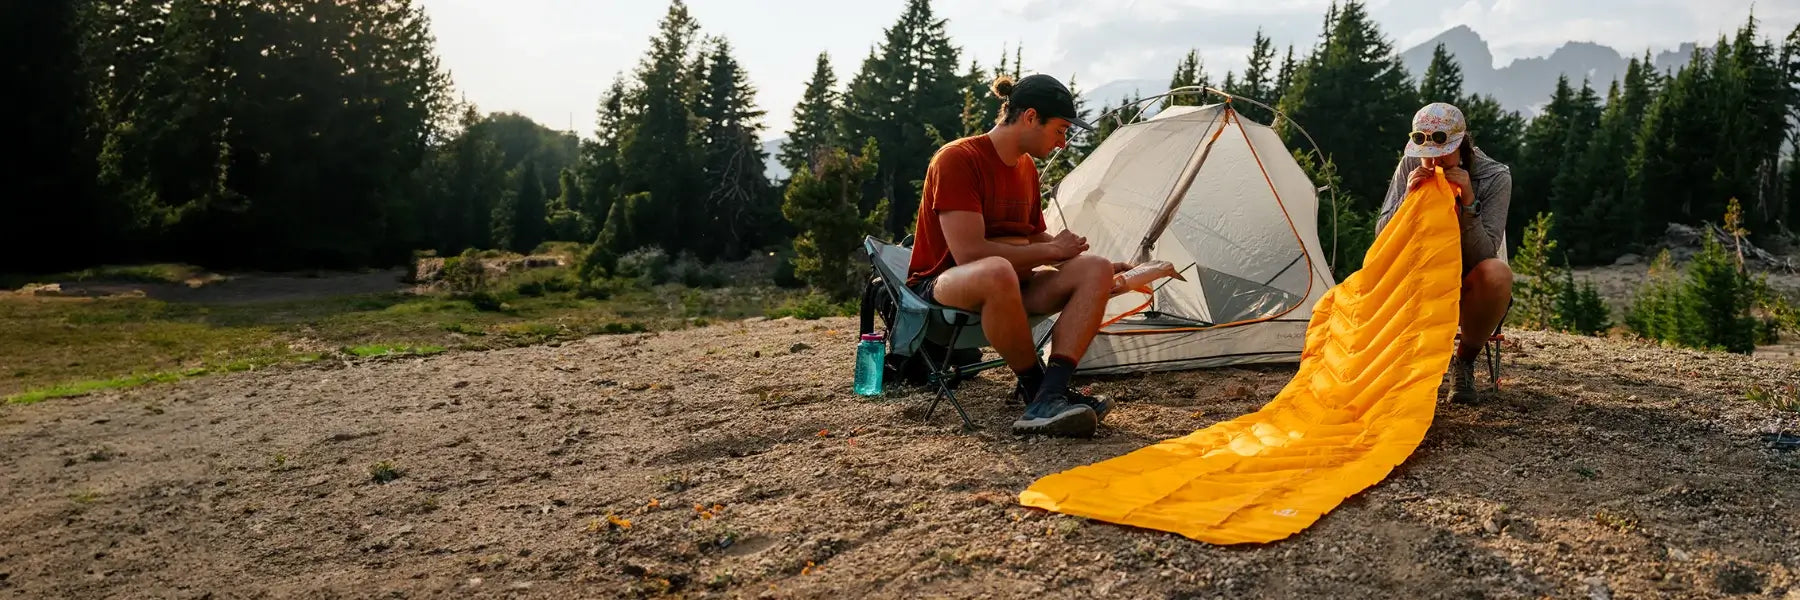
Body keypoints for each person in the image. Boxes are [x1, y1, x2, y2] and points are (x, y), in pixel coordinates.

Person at [905, 73, 1124, 437]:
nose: (1063, 142)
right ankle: (1036, 388)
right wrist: (1051, 250)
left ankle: (1050, 395)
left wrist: (1085, 268)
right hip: (942, 286)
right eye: (1060, 130)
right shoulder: (958, 159)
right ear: (1030, 117)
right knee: (996, 270)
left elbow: (1032, 235)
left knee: (1096, 268)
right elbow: (969, 253)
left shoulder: (1025, 168)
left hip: (1012, 284)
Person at [1375, 102, 1514, 404]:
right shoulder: (1411, 164)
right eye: (1426, 153)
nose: (1434, 161)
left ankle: (1463, 362)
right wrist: (1407, 199)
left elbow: (1485, 254)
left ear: (1462, 145)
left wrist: (1469, 203)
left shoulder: (1496, 177)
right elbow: (1382, 237)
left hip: (1465, 285)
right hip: (1416, 282)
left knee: (1498, 274)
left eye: (1442, 152)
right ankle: (1401, 367)